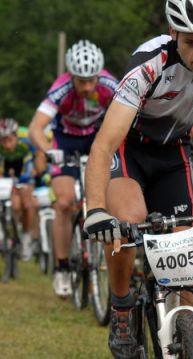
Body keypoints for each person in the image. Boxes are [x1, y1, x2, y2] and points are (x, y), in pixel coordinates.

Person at [81, 1, 193, 358]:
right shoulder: (150, 63)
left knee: (186, 251)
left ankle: (186, 329)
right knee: (127, 222)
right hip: (130, 149)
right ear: (173, 33)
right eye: (191, 42)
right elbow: (104, 144)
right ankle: (121, 304)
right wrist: (97, 209)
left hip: (173, 151)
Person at [28, 39, 117, 298]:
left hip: (96, 138)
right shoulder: (61, 89)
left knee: (111, 197)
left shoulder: (109, 85)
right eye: (81, 80)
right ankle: (62, 267)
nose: (87, 86)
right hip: (64, 142)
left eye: (92, 80)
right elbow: (35, 127)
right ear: (71, 76)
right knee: (64, 203)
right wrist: (47, 151)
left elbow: (127, 115)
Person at [0, 118, 42, 260]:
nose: (6, 144)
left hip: (24, 177)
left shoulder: (25, 145)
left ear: (15, 136)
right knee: (15, 206)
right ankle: (7, 232)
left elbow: (34, 162)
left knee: (27, 204)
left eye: (8, 140)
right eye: (2, 140)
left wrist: (34, 172)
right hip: (7, 178)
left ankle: (25, 238)